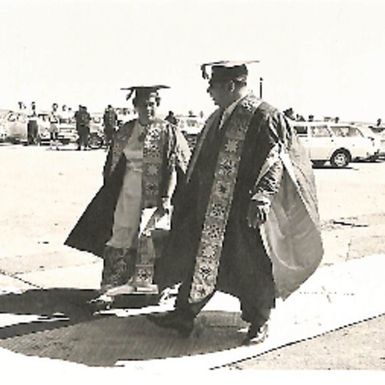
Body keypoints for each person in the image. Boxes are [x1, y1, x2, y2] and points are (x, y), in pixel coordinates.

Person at [148, 61, 323, 344]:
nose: (208, 91)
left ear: (230, 86)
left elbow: (275, 158)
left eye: (212, 85)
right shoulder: (217, 117)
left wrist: (263, 196)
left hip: (244, 209)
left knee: (250, 263)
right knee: (200, 258)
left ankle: (259, 321)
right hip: (212, 207)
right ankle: (184, 314)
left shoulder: (264, 115)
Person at [65, 85, 191, 304]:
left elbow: (175, 166)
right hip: (127, 191)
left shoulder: (168, 131)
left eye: (152, 104)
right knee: (122, 233)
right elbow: (112, 164)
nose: (148, 109)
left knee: (152, 238)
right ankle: (112, 286)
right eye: (144, 105)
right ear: (135, 106)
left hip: (156, 194)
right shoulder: (125, 130)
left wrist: (167, 197)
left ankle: (156, 286)